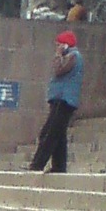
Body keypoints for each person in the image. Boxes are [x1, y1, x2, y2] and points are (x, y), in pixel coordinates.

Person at [30, 29, 84, 173]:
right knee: (59, 135)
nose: (57, 47)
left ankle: (37, 164)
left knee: (49, 133)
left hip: (64, 100)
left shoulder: (73, 56)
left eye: (59, 44)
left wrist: (58, 55)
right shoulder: (71, 55)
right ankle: (59, 166)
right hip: (60, 99)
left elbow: (59, 70)